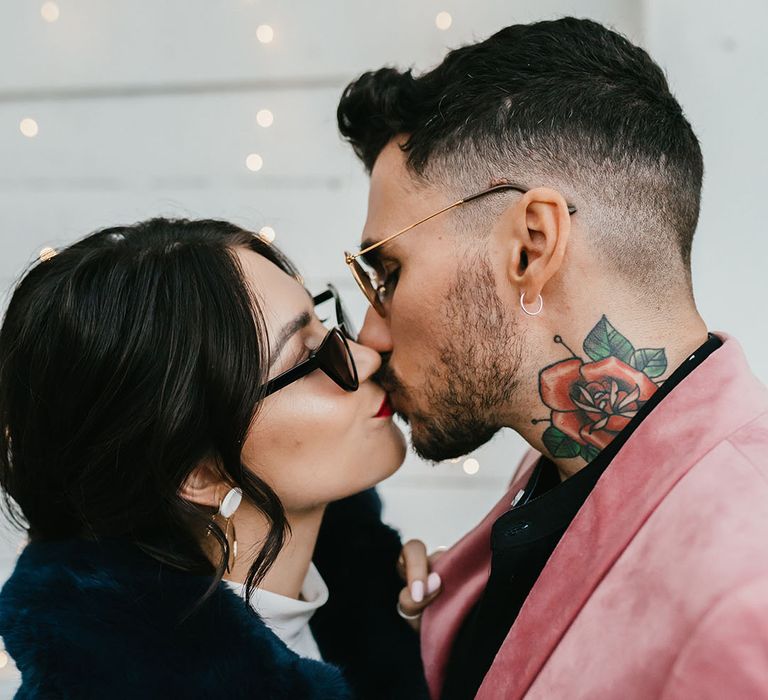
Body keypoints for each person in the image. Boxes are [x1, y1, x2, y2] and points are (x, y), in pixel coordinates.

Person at [337, 17, 768, 699]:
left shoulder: (744, 595)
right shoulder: (559, 481)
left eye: (387, 272)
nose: (370, 336)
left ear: (531, 246)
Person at [0, 217, 431, 698]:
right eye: (309, 358)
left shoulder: (366, 610)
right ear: (200, 473)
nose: (367, 357)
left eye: (326, 324)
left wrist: (433, 642)